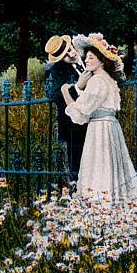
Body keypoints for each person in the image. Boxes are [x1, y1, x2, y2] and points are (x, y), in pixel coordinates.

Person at [61, 33, 137, 203]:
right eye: (87, 58)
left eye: (91, 58)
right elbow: (95, 102)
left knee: (99, 165)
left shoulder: (97, 80)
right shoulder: (110, 81)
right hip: (111, 128)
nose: (87, 61)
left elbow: (80, 112)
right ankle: (112, 202)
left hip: (99, 129)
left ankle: (100, 206)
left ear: (102, 60)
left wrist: (65, 92)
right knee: (109, 164)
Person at [44, 35, 91, 182]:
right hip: (74, 126)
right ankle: (76, 192)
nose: (71, 55)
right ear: (59, 60)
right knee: (77, 164)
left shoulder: (90, 57)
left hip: (97, 118)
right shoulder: (57, 72)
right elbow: (57, 96)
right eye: (65, 56)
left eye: (70, 50)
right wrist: (78, 86)